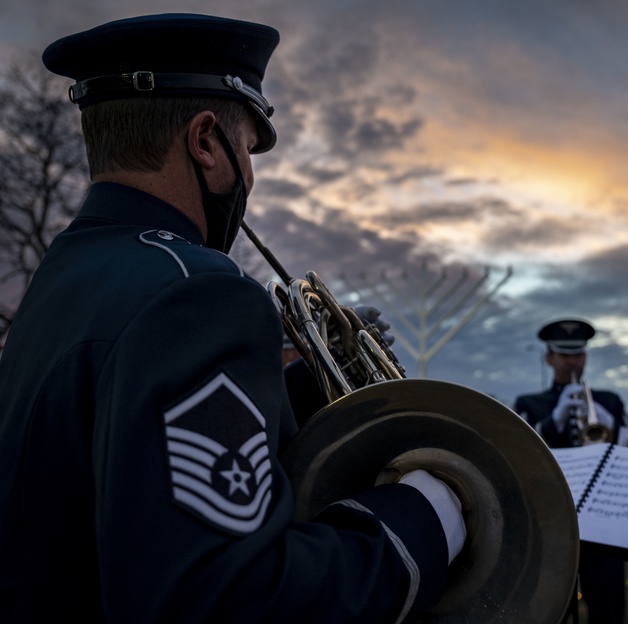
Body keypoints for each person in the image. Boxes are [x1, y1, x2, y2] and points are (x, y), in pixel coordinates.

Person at [0, 14, 464, 623]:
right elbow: (235, 598)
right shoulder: (197, 291)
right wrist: (426, 516)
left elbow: (125, 450)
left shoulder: (64, 278)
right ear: (205, 142)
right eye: (246, 149)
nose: (247, 175)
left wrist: (306, 386)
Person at [514, 319, 627, 624]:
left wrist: (614, 427)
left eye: (577, 355)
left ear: (586, 357)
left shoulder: (610, 402)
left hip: (603, 519)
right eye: (564, 355)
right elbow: (521, 455)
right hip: (552, 521)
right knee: (551, 610)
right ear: (549, 358)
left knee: (609, 608)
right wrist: (554, 420)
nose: (572, 362)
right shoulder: (530, 404)